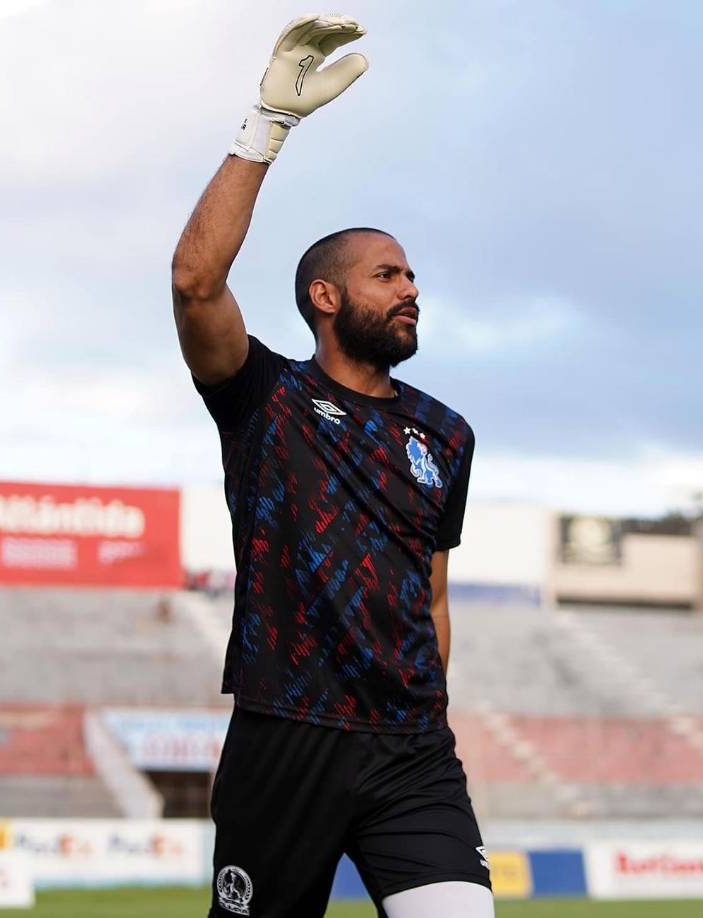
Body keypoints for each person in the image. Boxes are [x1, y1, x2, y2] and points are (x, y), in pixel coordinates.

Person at [172, 14, 493, 918]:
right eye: (386, 274)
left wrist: (429, 709)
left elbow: (432, 597)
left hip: (411, 749)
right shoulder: (263, 396)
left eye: (411, 276)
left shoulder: (446, 433)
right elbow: (195, 283)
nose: (410, 288)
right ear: (325, 295)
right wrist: (267, 127)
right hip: (287, 736)